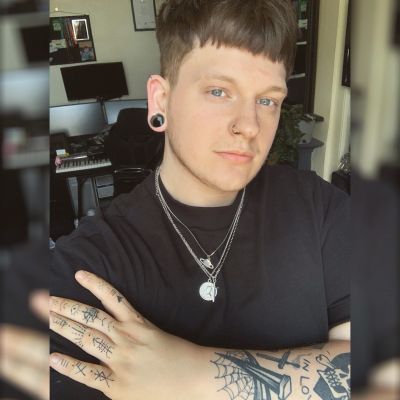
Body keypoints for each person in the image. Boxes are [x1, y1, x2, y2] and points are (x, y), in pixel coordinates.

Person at [50, 1, 350, 399]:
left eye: (267, 100)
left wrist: (193, 374)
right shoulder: (88, 267)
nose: (248, 126)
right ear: (160, 100)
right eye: (219, 91)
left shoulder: (320, 208)